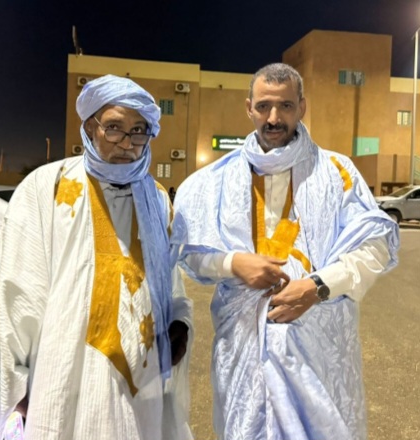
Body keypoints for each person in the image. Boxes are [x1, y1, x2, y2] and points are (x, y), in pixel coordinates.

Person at [171, 63, 399, 440]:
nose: (274, 118)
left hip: (318, 352)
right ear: (249, 108)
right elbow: (190, 252)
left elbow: (374, 246)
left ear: (302, 107)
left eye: (285, 106)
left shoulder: (336, 172)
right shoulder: (213, 181)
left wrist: (318, 286)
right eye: (263, 106)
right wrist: (232, 263)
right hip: (242, 348)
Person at [0, 75, 193, 440]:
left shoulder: (156, 198)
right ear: (89, 127)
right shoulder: (48, 188)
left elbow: (170, 284)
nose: (127, 143)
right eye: (114, 127)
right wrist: (14, 389)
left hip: (142, 384)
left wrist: (179, 322)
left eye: (139, 130)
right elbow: (13, 299)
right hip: (63, 380)